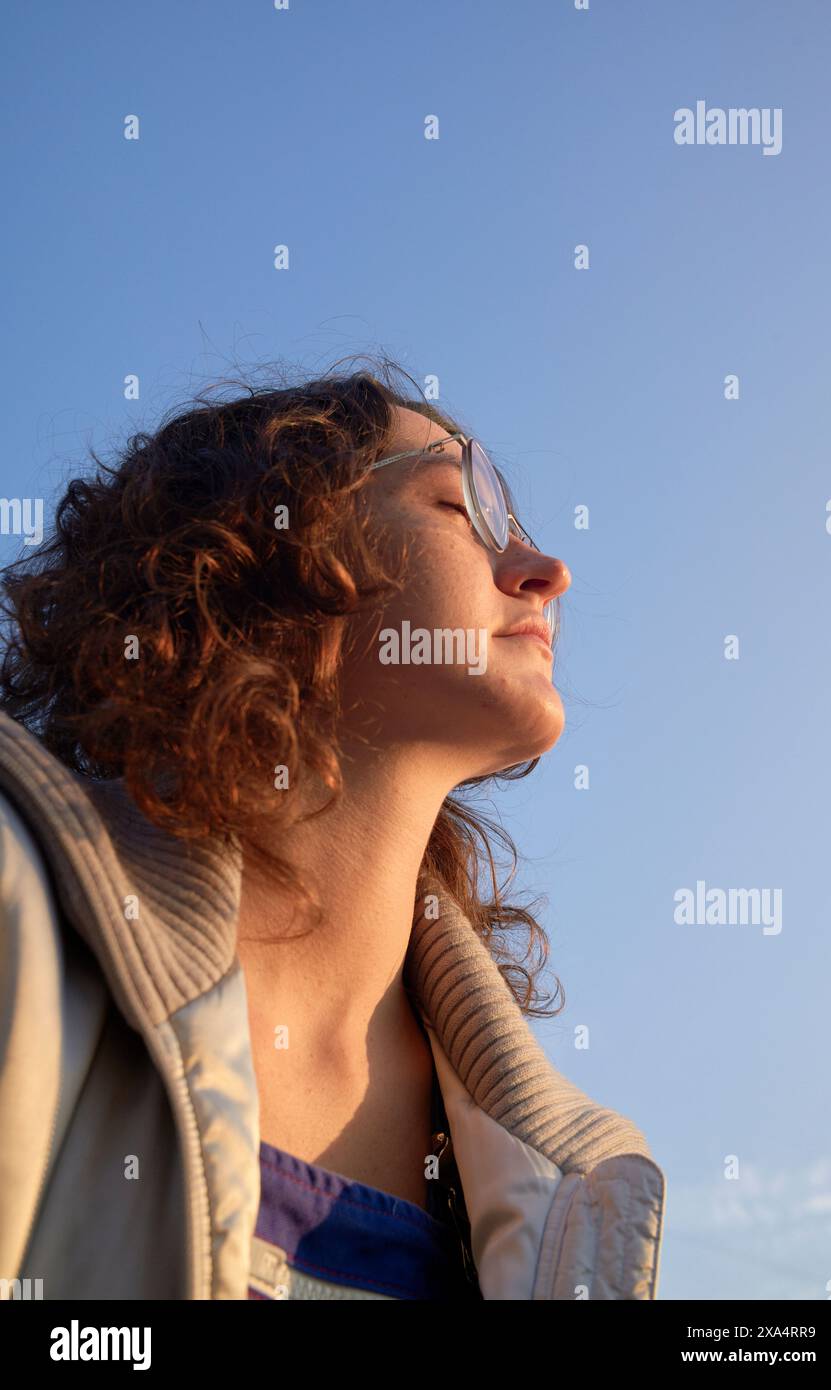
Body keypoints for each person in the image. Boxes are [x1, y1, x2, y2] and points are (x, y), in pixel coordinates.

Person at [0, 356, 665, 1300]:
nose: (545, 571)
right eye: (461, 503)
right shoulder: (19, 921)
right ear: (264, 551)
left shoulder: (580, 1186)